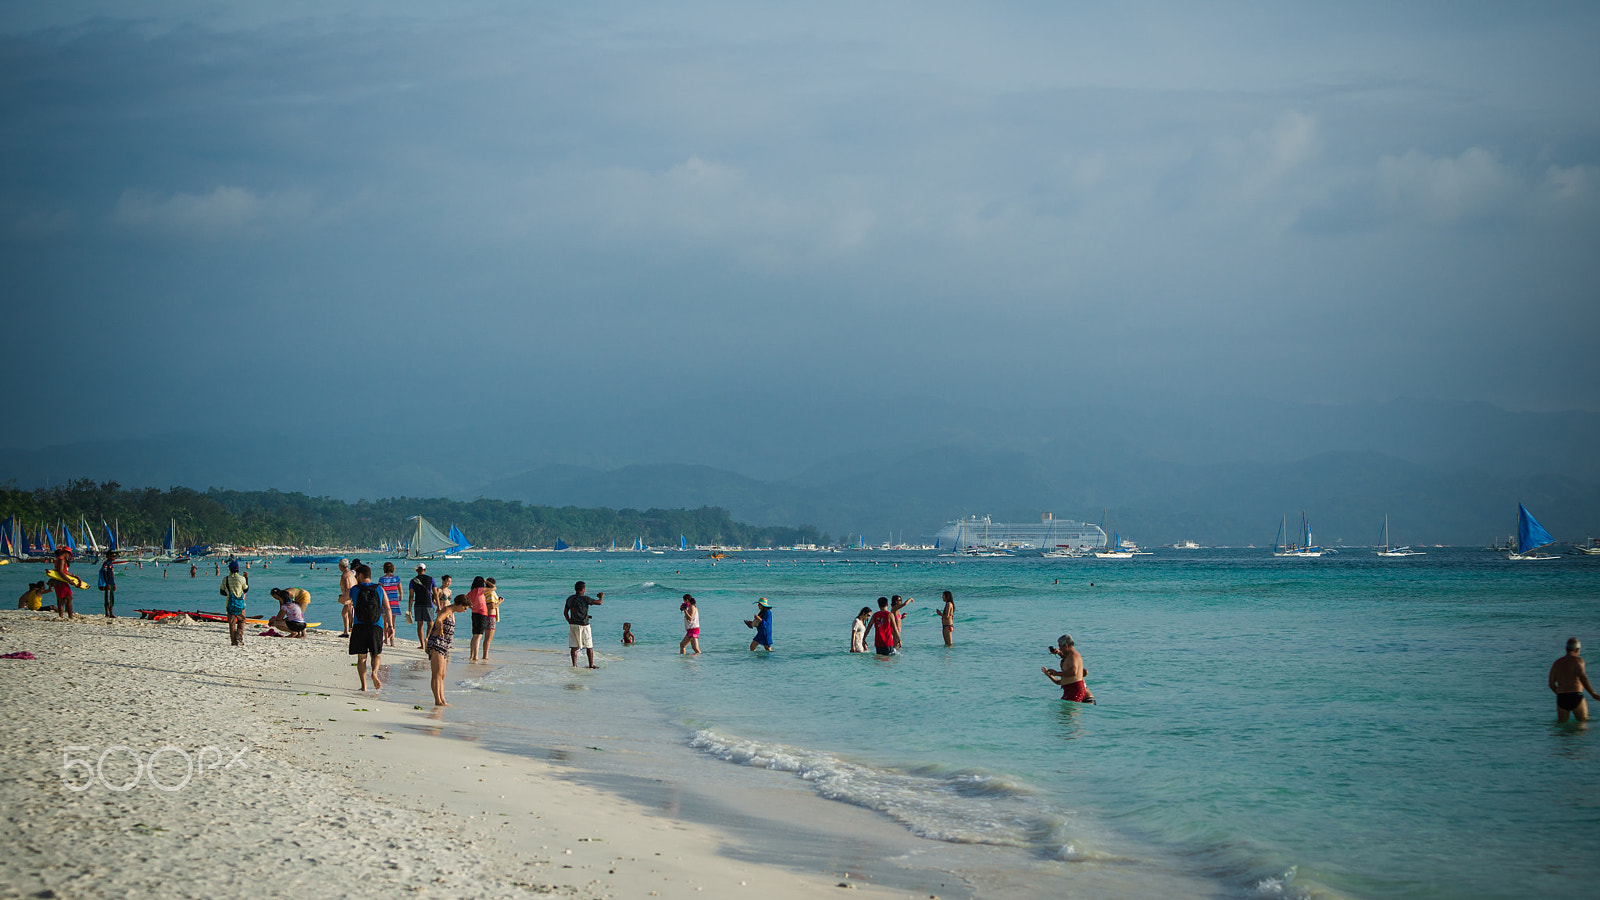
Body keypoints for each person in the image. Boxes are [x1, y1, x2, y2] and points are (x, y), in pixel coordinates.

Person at [347, 564, 392, 690]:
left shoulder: (355, 589)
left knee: (361, 658)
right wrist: (390, 625)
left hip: (359, 627)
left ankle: (364, 686)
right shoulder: (379, 588)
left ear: (360, 575)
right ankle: (374, 673)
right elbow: (387, 608)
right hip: (376, 626)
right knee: (376, 654)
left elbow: (344, 600)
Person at [425, 594, 473, 706]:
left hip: (444, 646)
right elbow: (439, 619)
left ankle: (442, 699)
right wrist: (440, 629)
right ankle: (438, 701)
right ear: (460, 605)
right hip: (437, 643)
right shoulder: (447, 610)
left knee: (442, 675)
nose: (465, 611)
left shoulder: (451, 613)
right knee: (437, 674)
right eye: (465, 608)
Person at [1549, 637, 1599, 723]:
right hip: (1576, 696)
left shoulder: (1557, 663)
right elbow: (1583, 678)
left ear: (1566, 649)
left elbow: (1551, 684)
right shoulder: (1578, 661)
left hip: (1561, 698)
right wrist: (1593, 693)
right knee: (1583, 725)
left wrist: (1560, 693)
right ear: (1577, 649)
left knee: (1562, 728)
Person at [1043, 634, 1095, 704]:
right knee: (1061, 713)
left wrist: (1056, 673)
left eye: (1060, 647)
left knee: (1064, 714)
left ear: (1066, 646)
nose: (1059, 649)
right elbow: (1059, 681)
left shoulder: (1073, 656)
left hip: (1075, 691)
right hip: (1070, 691)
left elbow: (1073, 672)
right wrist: (1050, 675)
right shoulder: (1070, 656)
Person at [563, 580, 604, 668]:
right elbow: (599, 603)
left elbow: (565, 612)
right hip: (584, 624)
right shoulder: (585, 599)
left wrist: (569, 621)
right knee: (589, 646)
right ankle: (591, 665)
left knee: (573, 646)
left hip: (573, 624)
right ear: (583, 589)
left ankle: (574, 665)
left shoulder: (570, 598)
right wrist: (601, 597)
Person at [220, 560, 249, 646]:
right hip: (240, 603)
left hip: (229, 603)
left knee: (232, 623)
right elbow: (246, 589)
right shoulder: (241, 579)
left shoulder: (225, 579)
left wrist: (229, 595)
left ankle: (233, 641)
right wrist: (246, 578)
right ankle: (239, 638)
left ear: (229, 569)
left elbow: (222, 592)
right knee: (242, 620)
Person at [409, 564, 436, 651]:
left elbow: (411, 596)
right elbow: (435, 593)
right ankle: (427, 638)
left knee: (420, 625)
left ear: (416, 571)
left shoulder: (413, 581)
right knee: (430, 624)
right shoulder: (431, 579)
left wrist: (409, 608)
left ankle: (422, 645)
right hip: (428, 604)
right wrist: (438, 605)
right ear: (425, 570)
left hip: (418, 604)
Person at [378, 562, 403, 645]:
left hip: (385, 602)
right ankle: (392, 640)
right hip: (394, 601)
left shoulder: (382, 579)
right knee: (392, 622)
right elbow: (400, 589)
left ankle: (386, 639)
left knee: (385, 621)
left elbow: (380, 590)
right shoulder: (396, 578)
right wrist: (400, 596)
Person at [466, 576, 490, 662]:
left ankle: (472, 655)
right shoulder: (480, 590)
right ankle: (475, 656)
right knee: (479, 635)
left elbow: (466, 600)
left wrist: (471, 607)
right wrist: (486, 581)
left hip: (474, 613)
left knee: (475, 635)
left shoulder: (471, 592)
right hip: (481, 613)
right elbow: (494, 587)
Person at [51, 548, 76, 620]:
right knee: (69, 597)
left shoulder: (58, 559)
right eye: (69, 554)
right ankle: (70, 616)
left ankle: (61, 616)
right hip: (62, 581)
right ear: (65, 552)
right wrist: (69, 580)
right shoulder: (61, 559)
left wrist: (73, 575)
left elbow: (64, 572)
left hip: (58, 581)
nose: (69, 556)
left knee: (60, 599)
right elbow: (61, 572)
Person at [480, 577, 502, 660]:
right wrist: (500, 602)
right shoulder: (491, 593)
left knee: (487, 637)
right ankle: (485, 655)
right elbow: (492, 606)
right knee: (489, 638)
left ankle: (485, 655)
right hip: (490, 616)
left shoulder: (484, 592)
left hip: (486, 615)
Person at [335, 558, 356, 637]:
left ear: (340, 566)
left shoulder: (344, 575)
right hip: (353, 596)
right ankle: (350, 629)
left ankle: (346, 632)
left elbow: (347, 587)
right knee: (350, 613)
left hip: (348, 596)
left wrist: (344, 598)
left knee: (344, 613)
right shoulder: (351, 573)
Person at [98, 550, 118, 618]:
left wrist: (114, 584)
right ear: (108, 556)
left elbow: (112, 575)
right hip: (108, 583)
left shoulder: (111, 564)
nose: (114, 558)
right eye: (113, 556)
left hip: (111, 583)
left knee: (111, 598)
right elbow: (105, 574)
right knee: (108, 599)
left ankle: (111, 612)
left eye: (115, 556)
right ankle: (108, 613)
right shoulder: (106, 564)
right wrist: (107, 583)